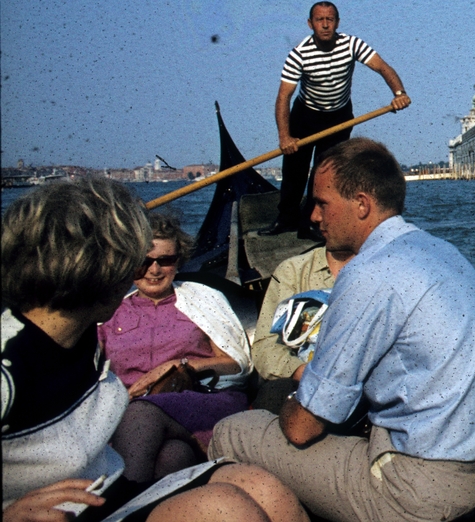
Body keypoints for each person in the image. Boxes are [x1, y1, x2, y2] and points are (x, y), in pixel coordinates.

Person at [211, 139, 475, 522]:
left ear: (361, 204)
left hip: (415, 489)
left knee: (233, 431)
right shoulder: (440, 250)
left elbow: (302, 428)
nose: (313, 217)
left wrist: (291, 400)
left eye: (322, 203)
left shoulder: (367, 273)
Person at [2, 178, 307, 522]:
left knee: (262, 486)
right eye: (132, 260)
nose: (145, 271)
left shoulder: (81, 336)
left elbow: (236, 361)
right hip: (73, 508)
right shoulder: (9, 365)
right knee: (227, 505)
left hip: (112, 483)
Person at [99, 214, 253, 476]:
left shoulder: (202, 298)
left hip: (198, 401)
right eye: (144, 261)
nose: (154, 270)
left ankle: (117, 511)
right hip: (129, 414)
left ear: (178, 262)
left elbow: (236, 364)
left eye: (165, 260)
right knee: (173, 456)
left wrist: (180, 366)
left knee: (142, 414)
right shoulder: (109, 309)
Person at [265, 1, 411, 237]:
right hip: (305, 115)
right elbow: (284, 97)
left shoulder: (352, 44)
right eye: (320, 20)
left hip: (339, 116)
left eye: (330, 19)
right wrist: (284, 136)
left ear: (337, 22)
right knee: (294, 170)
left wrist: (399, 94)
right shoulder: (299, 54)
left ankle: (309, 223)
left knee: (323, 170)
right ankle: (286, 219)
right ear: (310, 24)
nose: (325, 25)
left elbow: (383, 67)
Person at [250, 244, 356, 413]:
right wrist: (300, 371)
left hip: (362, 387)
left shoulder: (388, 270)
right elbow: (265, 347)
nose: (316, 217)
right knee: (273, 396)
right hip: (303, 384)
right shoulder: (293, 271)